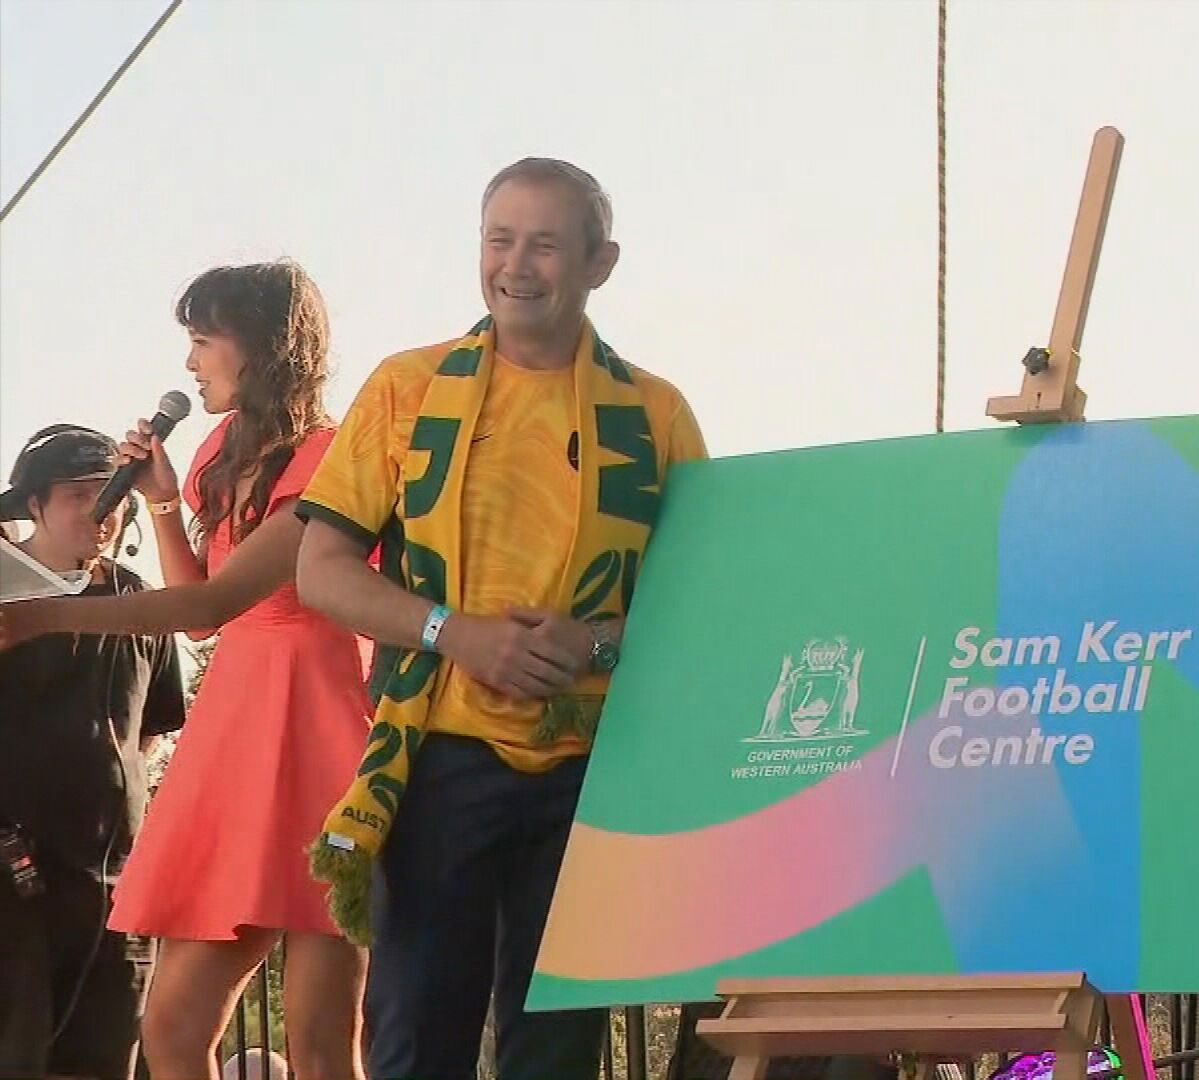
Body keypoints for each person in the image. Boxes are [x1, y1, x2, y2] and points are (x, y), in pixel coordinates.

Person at [295, 157, 707, 1078]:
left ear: (601, 263)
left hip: (594, 771)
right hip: (440, 755)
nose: (517, 265)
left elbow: (699, 606)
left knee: (557, 1052)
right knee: (415, 1040)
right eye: (500, 240)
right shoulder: (407, 387)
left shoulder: (656, 411)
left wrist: (597, 642)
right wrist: (456, 632)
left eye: (546, 244)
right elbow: (320, 571)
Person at [0, 262, 371, 1078]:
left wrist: (37, 616)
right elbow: (201, 600)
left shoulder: (331, 457)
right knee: (170, 1029)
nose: (191, 363)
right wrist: (165, 501)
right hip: (236, 724)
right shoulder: (214, 453)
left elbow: (217, 604)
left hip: (316, 720)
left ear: (264, 348)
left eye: (204, 341)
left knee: (318, 1041)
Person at [0, 425, 185, 1080]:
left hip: (115, 886)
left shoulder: (140, 602)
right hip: (14, 880)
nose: (101, 511)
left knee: (103, 1057)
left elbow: (153, 731)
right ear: (34, 505)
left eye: (113, 495)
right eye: (80, 495)